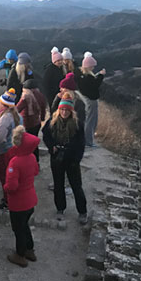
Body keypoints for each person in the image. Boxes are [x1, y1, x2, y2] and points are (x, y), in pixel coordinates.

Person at [42, 93, 88, 225]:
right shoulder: (53, 121)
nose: (64, 112)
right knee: (58, 184)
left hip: (71, 159)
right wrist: (52, 147)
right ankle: (60, 209)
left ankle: (82, 211)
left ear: (71, 111)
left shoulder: (77, 124)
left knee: (76, 186)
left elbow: (81, 144)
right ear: (58, 109)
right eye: (62, 109)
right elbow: (46, 135)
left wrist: (76, 160)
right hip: (57, 157)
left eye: (67, 110)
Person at [4, 125, 40, 267]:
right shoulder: (31, 157)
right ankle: (30, 250)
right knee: (25, 226)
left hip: (18, 202)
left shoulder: (15, 162)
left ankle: (20, 255)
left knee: (18, 229)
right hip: (30, 200)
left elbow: (12, 186)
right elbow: (36, 172)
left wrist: (5, 188)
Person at [0, 88, 21, 209]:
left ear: (4, 105)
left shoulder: (5, 119)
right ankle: (14, 198)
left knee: (4, 176)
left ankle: (8, 200)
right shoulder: (16, 116)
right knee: (13, 176)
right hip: (14, 150)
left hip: (4, 152)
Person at [74, 52, 106, 147]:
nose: (93, 68)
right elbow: (94, 85)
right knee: (91, 120)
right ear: (88, 66)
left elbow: (91, 82)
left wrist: (97, 75)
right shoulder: (88, 77)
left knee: (89, 119)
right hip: (91, 100)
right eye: (92, 66)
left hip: (86, 98)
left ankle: (88, 139)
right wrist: (101, 75)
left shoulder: (81, 74)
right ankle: (88, 141)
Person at [16, 79, 47, 162]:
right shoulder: (40, 95)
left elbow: (17, 109)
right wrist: (42, 118)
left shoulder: (26, 96)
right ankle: (36, 161)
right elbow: (43, 107)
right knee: (34, 143)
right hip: (37, 123)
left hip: (27, 124)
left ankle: (28, 162)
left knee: (26, 144)